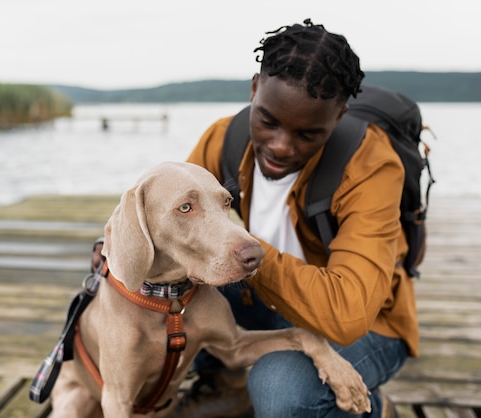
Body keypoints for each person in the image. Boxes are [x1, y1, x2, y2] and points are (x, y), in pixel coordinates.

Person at [166, 19, 418, 418]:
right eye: (267, 121)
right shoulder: (224, 138)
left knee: (280, 389)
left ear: (338, 118)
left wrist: (243, 250)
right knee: (167, 287)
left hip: (371, 323)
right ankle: (225, 384)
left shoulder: (372, 167)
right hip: (263, 296)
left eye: (307, 134)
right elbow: (171, 219)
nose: (280, 146)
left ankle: (374, 410)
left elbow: (347, 313)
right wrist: (115, 247)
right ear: (254, 89)